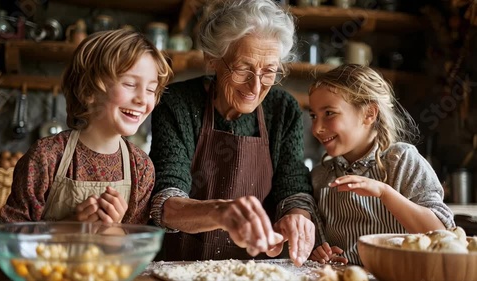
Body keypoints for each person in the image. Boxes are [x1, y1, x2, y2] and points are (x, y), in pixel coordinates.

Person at [149, 0, 316, 266]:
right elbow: (165, 204)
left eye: (269, 72)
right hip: (186, 267)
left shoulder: (283, 109)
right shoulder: (177, 103)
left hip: (260, 268)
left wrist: (298, 217)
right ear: (213, 60)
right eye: (243, 69)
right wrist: (221, 211)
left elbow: (293, 186)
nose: (255, 86)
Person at [0, 29, 172, 224]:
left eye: (151, 89)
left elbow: (137, 247)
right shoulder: (47, 156)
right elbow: (9, 236)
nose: (142, 99)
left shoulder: (141, 168)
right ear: (89, 91)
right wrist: (69, 226)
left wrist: (115, 230)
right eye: (130, 84)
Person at [307, 64, 455, 265]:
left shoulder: (402, 161)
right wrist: (320, 252)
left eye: (329, 113)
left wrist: (384, 192)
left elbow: (443, 235)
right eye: (313, 116)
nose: (317, 128)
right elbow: (318, 243)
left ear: (369, 113)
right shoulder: (319, 176)